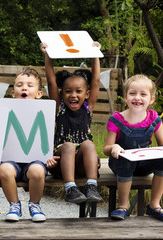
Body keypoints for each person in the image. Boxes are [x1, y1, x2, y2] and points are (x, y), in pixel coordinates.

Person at [103, 74, 163, 221]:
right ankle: (123, 205)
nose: (137, 97)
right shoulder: (116, 119)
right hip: (120, 164)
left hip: (143, 166)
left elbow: (162, 142)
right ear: (126, 97)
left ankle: (154, 206)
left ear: (151, 99)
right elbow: (106, 148)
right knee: (126, 158)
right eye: (132, 93)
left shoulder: (154, 119)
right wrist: (114, 147)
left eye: (143, 94)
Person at [41, 42, 102, 204]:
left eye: (78, 91)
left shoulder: (88, 107)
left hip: (82, 166)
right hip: (60, 166)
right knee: (68, 145)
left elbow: (95, 81)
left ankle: (92, 186)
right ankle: (70, 188)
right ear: (61, 94)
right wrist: (48, 54)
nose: (73, 95)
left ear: (87, 94)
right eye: (68, 91)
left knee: (88, 144)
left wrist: (95, 54)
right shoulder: (59, 107)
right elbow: (51, 80)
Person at [0, 68, 59, 222]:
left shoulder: (45, 112)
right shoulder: (3, 110)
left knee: (38, 171)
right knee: (4, 169)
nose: (24, 88)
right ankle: (14, 205)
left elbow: (45, 140)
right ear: (12, 93)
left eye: (30, 85)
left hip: (35, 160)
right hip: (10, 161)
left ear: (39, 94)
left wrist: (49, 157)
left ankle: (34, 205)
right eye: (19, 85)